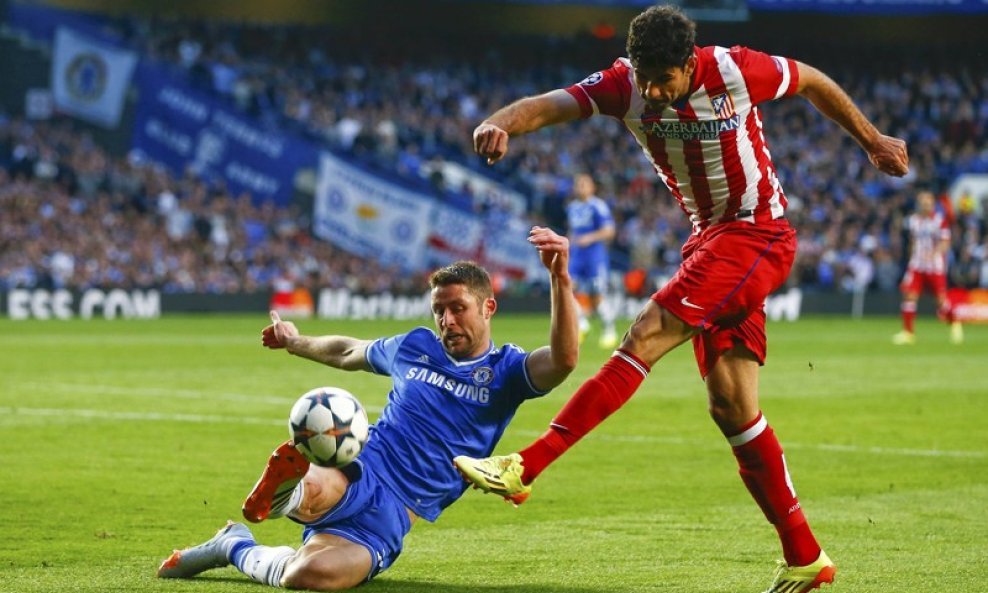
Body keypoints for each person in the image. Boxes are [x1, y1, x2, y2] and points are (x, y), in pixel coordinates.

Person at [455, 5, 909, 593]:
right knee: (732, 407)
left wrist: (872, 140)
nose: (651, 91)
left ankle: (526, 465)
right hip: (708, 240)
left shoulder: (735, 70)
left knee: (645, 334)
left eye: (662, 80)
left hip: (757, 234)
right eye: (644, 78)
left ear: (689, 64)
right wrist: (501, 123)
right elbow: (552, 104)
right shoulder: (626, 85)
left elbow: (813, 80)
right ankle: (805, 556)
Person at [157, 226, 579, 591]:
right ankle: (289, 488)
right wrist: (294, 342)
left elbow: (563, 360)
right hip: (364, 465)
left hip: (396, 514)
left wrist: (559, 277)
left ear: (488, 307)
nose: (447, 320)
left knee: (309, 575)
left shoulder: (507, 370)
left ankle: (234, 544)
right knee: (318, 489)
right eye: (439, 310)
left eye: (457, 308)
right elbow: (349, 351)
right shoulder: (415, 346)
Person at [892, 189, 963, 345]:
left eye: (928, 202)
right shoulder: (913, 221)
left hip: (934, 267)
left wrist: (934, 254)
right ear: (919, 204)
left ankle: (954, 322)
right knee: (909, 296)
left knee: (941, 302)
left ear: (932, 204)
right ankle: (908, 333)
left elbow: (945, 242)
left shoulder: (939, 221)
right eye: (922, 202)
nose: (925, 204)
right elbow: (912, 241)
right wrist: (912, 257)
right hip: (917, 265)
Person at [566, 173, 618, 348]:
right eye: (578, 184)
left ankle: (609, 330)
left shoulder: (598, 206)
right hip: (577, 256)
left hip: (594, 257)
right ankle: (582, 323)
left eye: (584, 184)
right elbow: (573, 231)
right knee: (565, 289)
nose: (580, 187)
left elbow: (609, 231)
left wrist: (589, 238)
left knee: (597, 297)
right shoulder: (572, 207)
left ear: (592, 187)